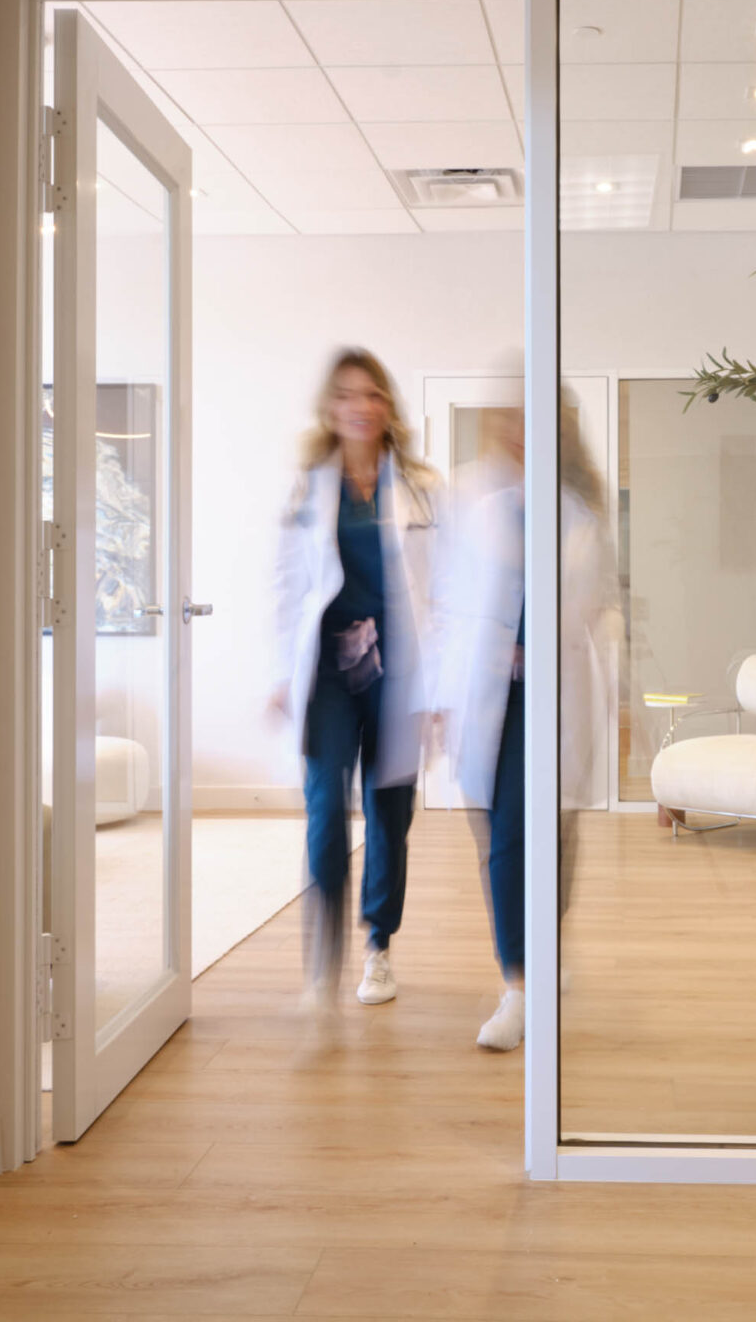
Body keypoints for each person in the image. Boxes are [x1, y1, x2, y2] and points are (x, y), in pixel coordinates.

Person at [435, 395, 614, 1051]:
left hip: (557, 694)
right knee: (506, 836)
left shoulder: (581, 515)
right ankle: (517, 987)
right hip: (495, 700)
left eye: (537, 425)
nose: (520, 434)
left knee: (555, 834)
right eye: (511, 422)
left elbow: (593, 608)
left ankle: (541, 944)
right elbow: (448, 603)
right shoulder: (477, 510)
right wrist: (440, 692)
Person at [271, 349, 438, 1013]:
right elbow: (285, 583)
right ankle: (322, 964)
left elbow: (443, 589)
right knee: (324, 813)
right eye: (346, 395)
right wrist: (280, 671)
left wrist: (443, 687)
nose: (359, 407)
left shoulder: (423, 488)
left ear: (387, 407)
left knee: (389, 812)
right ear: (330, 408)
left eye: (372, 395)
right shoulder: (308, 487)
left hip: (398, 668)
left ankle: (378, 948)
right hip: (329, 672)